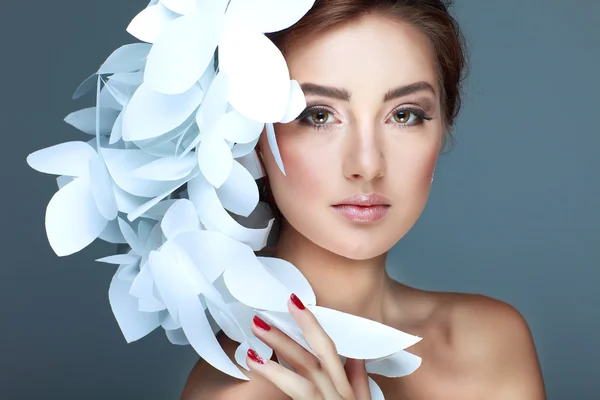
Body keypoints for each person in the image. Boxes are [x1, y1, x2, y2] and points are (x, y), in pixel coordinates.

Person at [181, 1, 546, 398]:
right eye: (318, 115)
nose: (367, 165)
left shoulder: (492, 342)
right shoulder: (235, 392)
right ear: (251, 138)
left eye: (404, 115)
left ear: (442, 127)